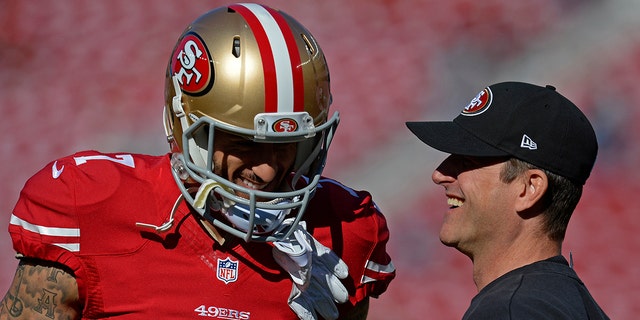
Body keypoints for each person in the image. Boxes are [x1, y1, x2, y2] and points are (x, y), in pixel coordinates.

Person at [0, 3, 395, 319]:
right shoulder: (91, 204)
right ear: (185, 124)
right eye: (246, 144)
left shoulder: (343, 231)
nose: (269, 169)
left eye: (285, 146)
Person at [406, 81, 609, 319]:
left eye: (468, 161)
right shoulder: (570, 304)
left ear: (529, 188)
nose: (439, 174)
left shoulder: (510, 310)